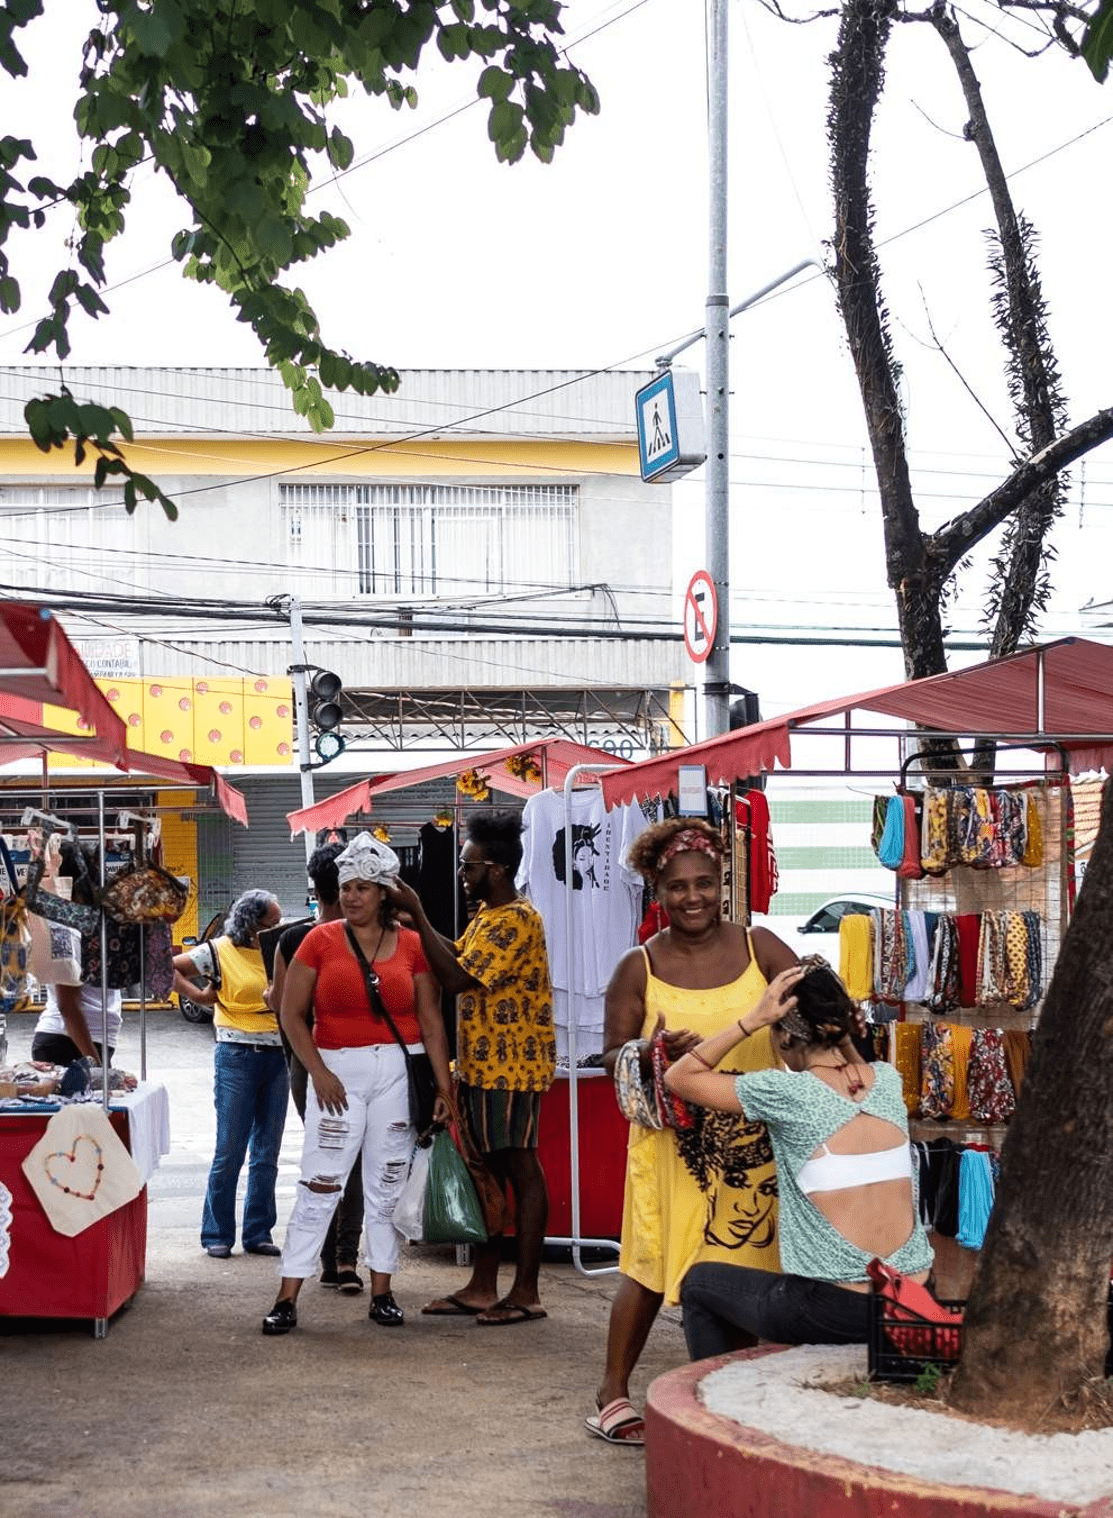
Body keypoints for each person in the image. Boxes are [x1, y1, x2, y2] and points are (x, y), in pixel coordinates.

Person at [588, 818, 797, 1446]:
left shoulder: (763, 948)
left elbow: (814, 1019)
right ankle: (611, 1393)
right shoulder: (639, 965)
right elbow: (607, 1055)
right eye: (677, 887)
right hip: (670, 1149)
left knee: (752, 1263)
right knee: (650, 1265)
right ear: (658, 891)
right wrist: (653, 1047)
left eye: (704, 883)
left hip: (756, 1149)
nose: (693, 897)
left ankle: (734, 1394)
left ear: (723, 883)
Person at [665, 956, 934, 1360]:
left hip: (836, 1310)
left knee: (700, 1285)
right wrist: (842, 1031)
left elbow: (679, 1077)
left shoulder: (786, 1093)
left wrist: (751, 1020)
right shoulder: (885, 1082)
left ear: (786, 1038)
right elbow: (853, 1069)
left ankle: (723, 1411)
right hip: (916, 1299)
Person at [261, 832, 452, 1336]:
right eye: (347, 886)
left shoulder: (412, 945)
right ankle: (287, 1295)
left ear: (385, 892)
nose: (351, 895)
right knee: (320, 1183)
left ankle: (382, 1292)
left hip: (397, 1070)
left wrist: (443, 1087)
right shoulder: (318, 941)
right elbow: (291, 1013)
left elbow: (431, 1021)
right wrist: (318, 1072)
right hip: (336, 1072)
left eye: (364, 887)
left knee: (385, 1187)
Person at [388, 807, 556, 1328]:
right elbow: (460, 954)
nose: (462, 875)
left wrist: (416, 907)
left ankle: (524, 1290)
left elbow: (457, 977)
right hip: (485, 1066)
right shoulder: (490, 916)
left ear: (497, 870)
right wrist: (420, 925)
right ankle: (485, 1286)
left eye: (468, 867)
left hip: (513, 1068)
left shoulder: (516, 920)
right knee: (489, 1174)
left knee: (519, 1172)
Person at [267, 842, 365, 1293]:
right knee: (359, 1159)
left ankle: (328, 1259)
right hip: (362, 1057)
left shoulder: (292, 938)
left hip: (306, 1062)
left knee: (323, 1155)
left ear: (315, 887)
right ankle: (347, 1260)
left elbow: (280, 1005)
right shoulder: (373, 935)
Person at [171, 889, 286, 1260]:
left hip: (278, 1055)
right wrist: (200, 996)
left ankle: (258, 1232)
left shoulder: (280, 951)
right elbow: (171, 967)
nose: (278, 929)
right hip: (236, 1053)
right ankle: (217, 1233)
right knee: (230, 1149)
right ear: (252, 924)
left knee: (267, 1151)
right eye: (272, 923)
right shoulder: (219, 951)